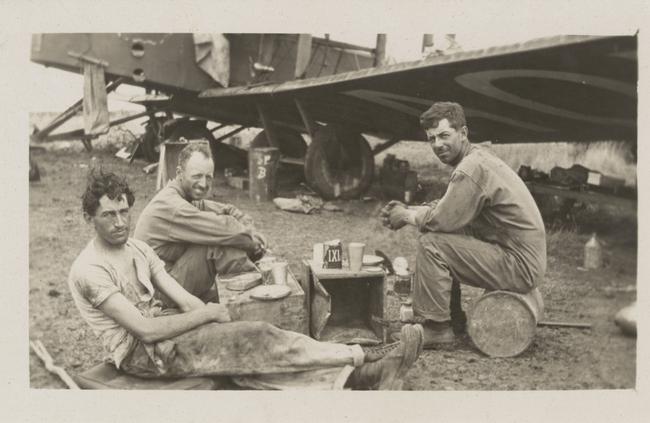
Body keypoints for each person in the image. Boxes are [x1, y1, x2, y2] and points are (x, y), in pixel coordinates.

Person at [68, 169, 423, 390]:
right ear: (90, 218)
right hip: (141, 354)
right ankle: (364, 357)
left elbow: (182, 298)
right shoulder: (90, 269)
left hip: (167, 331)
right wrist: (209, 314)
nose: (119, 222)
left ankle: (363, 376)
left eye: (124, 211)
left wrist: (215, 317)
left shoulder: (138, 249)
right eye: (108, 215)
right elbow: (143, 331)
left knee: (248, 349)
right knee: (257, 338)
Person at [381, 102, 546, 346]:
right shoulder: (476, 159)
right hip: (521, 258)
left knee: (431, 244)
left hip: (519, 265)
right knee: (445, 235)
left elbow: (441, 220)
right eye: (432, 139)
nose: (438, 144)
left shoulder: (470, 168)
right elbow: (448, 208)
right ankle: (453, 319)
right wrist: (410, 209)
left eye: (444, 135)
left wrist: (405, 216)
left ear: (463, 133)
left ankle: (436, 327)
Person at [134, 142, 265, 305]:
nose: (203, 184)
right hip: (159, 294)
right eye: (197, 176)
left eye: (208, 177)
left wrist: (250, 228)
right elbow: (225, 229)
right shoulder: (172, 205)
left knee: (223, 238)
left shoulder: (187, 197)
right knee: (215, 245)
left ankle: (253, 291)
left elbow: (228, 210)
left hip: (172, 281)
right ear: (180, 173)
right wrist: (253, 244)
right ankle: (258, 299)